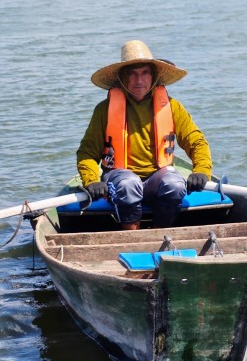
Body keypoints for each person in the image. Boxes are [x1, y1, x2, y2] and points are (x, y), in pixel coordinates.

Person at [76, 40, 212, 230]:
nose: (139, 80)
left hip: (157, 178)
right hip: (120, 178)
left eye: (145, 73)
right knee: (128, 184)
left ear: (154, 76)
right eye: (132, 73)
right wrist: (91, 181)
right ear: (122, 78)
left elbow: (197, 142)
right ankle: (132, 238)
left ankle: (159, 235)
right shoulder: (104, 110)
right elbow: (87, 153)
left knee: (175, 183)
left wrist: (201, 171)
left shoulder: (172, 107)